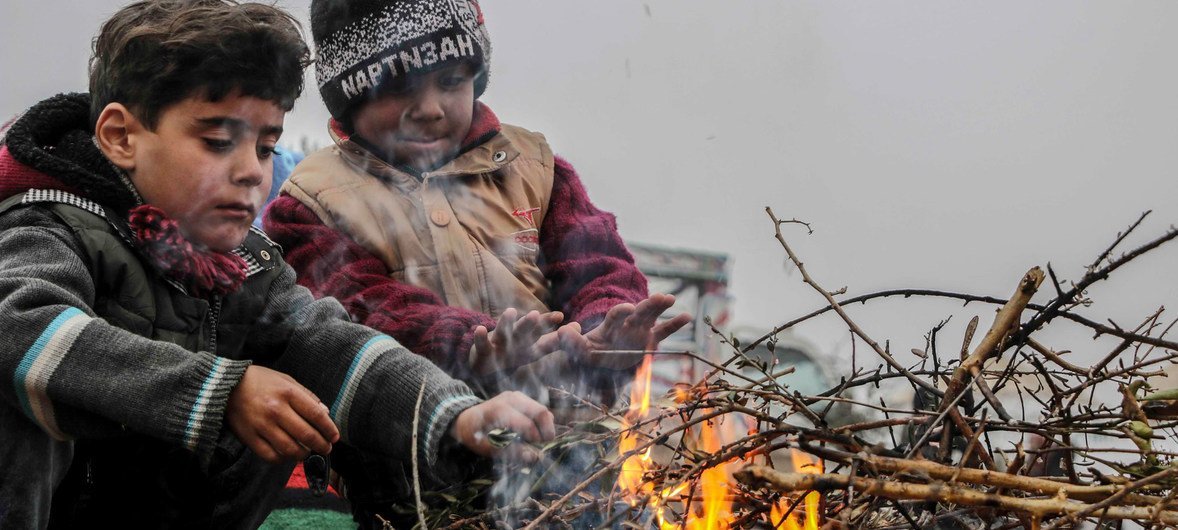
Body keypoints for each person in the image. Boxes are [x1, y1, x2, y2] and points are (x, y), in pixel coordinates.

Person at [0, 1, 554, 528]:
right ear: (121, 137)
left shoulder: (244, 265)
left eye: (265, 148)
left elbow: (332, 343)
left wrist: (457, 416)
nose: (251, 173)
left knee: (302, 375)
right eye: (219, 141)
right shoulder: (51, 226)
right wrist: (218, 392)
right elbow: (18, 327)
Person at [265, 0, 692, 413]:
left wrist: (602, 330)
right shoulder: (312, 203)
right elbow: (359, 308)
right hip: (409, 464)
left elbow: (599, 266)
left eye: (451, 81)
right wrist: (466, 343)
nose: (430, 109)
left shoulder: (534, 169)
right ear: (350, 96)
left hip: (566, 453)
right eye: (398, 86)